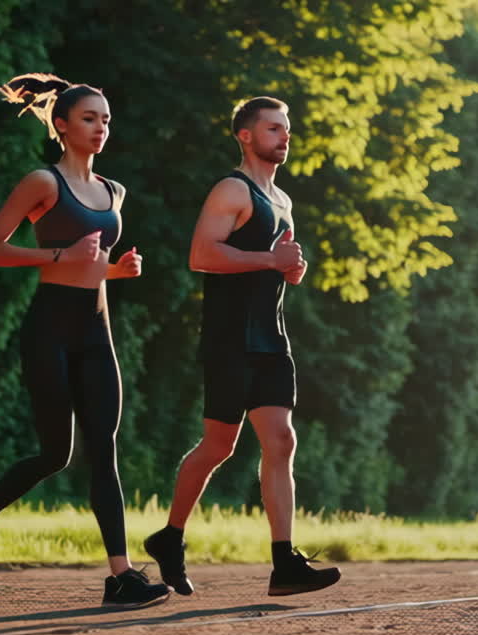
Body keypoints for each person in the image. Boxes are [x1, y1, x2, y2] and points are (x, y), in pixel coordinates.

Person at [0, 73, 170, 609]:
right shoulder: (42, 183)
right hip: (48, 330)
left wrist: (118, 271)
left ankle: (121, 577)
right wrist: (57, 257)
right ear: (63, 125)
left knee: (104, 451)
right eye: (90, 119)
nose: (101, 128)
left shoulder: (114, 191)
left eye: (107, 120)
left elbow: (91, 268)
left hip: (97, 333)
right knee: (54, 453)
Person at [143, 96, 341, 597]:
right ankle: (170, 537)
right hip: (230, 336)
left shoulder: (283, 200)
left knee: (282, 441)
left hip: (271, 337)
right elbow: (202, 255)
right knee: (219, 445)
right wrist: (268, 261)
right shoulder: (233, 189)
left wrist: (291, 267)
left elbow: (274, 262)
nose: (284, 137)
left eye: (287, 129)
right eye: (274, 129)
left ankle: (284, 564)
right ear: (246, 136)